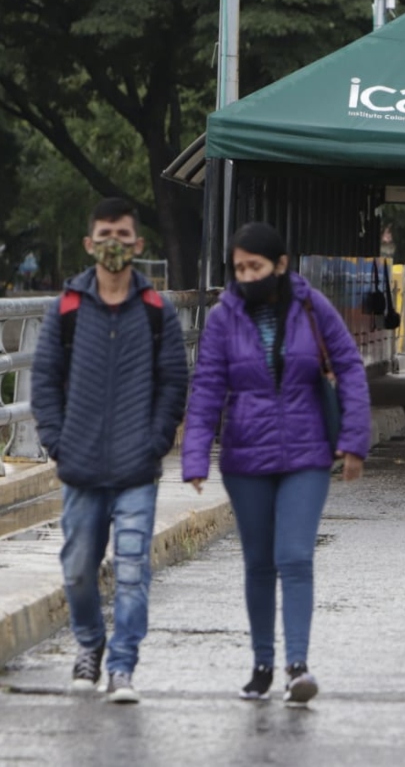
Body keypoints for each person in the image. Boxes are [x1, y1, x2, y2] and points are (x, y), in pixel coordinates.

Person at [182, 222, 371, 705]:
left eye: (256, 267)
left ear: (280, 265)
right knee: (260, 563)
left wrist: (354, 441)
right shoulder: (225, 316)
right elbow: (206, 384)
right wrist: (196, 454)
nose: (247, 276)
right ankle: (262, 664)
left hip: (306, 454)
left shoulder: (311, 307)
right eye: (239, 268)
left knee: (295, 556)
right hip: (246, 458)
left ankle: (297, 666)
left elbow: (348, 366)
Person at [30, 197, 189, 703]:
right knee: (78, 569)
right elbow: (45, 382)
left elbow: (174, 383)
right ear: (88, 244)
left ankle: (122, 666)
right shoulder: (68, 309)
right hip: (79, 466)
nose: (113, 245)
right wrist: (56, 441)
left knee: (133, 568)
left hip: (136, 468)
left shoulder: (157, 311)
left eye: (123, 236)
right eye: (104, 236)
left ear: (139, 244)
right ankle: (90, 646)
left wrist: (157, 441)